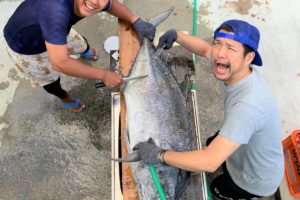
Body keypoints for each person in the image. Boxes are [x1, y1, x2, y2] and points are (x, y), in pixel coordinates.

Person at [130, 19, 284, 199]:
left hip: (253, 178)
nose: (220, 53)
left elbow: (210, 162)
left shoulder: (249, 105)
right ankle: (224, 157)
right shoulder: (234, 66)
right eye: (218, 43)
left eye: (231, 48)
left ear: (249, 57)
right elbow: (204, 49)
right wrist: (177, 35)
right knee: (214, 145)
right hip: (242, 151)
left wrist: (159, 154)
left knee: (218, 187)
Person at [3, 0, 155, 112]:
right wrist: (104, 75)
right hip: (27, 46)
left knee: (80, 43)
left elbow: (111, 5)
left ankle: (85, 51)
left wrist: (136, 20)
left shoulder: (89, 2)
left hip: (57, 28)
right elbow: (60, 62)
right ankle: (64, 97)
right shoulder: (54, 9)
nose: (95, 2)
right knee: (50, 80)